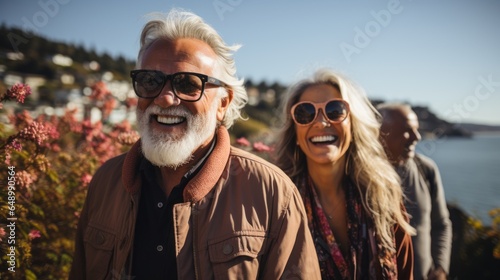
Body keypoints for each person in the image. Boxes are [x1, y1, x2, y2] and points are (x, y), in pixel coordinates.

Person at [69, 9, 321, 279]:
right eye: (150, 81)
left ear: (223, 103)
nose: (165, 98)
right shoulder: (106, 182)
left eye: (188, 84)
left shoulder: (272, 193)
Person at [274, 69, 415, 280]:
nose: (321, 123)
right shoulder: (275, 205)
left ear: (353, 125)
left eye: (335, 110)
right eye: (305, 113)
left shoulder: (384, 201)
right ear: (295, 132)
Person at [377, 103, 452, 280]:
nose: (416, 137)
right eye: (407, 130)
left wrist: (441, 268)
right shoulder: (359, 177)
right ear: (379, 134)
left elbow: (441, 224)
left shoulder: (426, 169)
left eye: (417, 130)